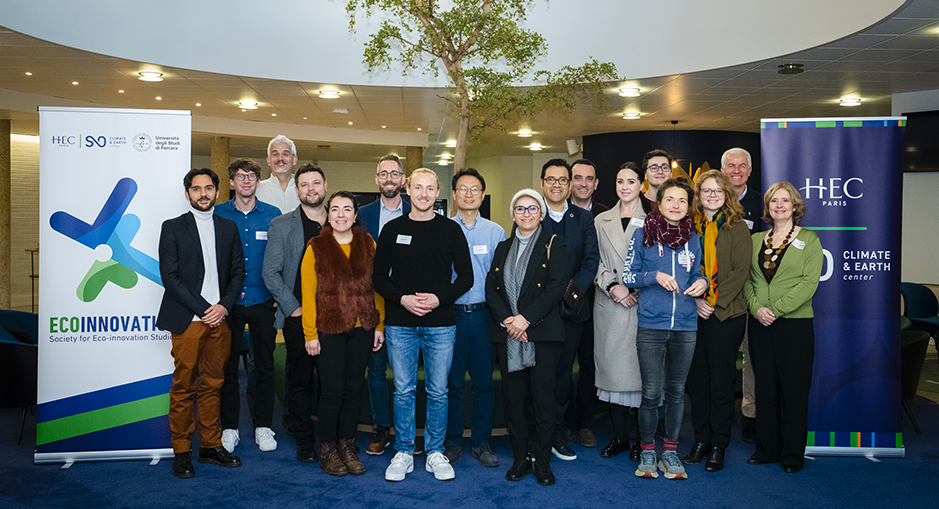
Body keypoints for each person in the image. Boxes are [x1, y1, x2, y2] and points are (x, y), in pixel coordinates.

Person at [372, 168, 473, 482]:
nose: (424, 194)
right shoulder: (391, 229)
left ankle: (434, 452)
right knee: (402, 390)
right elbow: (378, 278)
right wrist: (403, 299)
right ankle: (403, 450)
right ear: (408, 189)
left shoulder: (451, 230)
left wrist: (437, 299)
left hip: (441, 323)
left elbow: (466, 278)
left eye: (430, 189)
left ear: (438, 191)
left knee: (438, 391)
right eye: (418, 188)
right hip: (400, 323)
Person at [157, 168, 245, 479]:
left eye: (208, 188)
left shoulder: (229, 227)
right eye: (196, 189)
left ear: (218, 192)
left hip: (220, 321)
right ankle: (181, 451)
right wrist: (206, 309)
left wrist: (222, 308)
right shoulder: (172, 228)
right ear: (187, 194)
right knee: (183, 387)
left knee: (213, 385)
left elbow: (237, 274)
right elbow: (171, 277)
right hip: (188, 322)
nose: (203, 194)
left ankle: (210, 445)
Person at [623, 178, 708, 480]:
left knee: (676, 393)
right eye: (670, 199)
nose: (676, 205)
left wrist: (703, 284)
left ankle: (669, 452)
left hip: (686, 326)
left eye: (682, 200)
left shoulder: (694, 237)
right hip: (651, 326)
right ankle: (647, 450)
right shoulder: (641, 234)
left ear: (688, 206)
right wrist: (654, 276)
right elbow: (629, 275)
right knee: (650, 393)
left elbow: (698, 272)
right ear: (658, 203)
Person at [486, 189, 569, 486]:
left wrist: (526, 319)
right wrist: (509, 321)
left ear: (541, 213)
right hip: (508, 335)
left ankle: (543, 462)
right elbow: (492, 289)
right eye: (520, 209)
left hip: (542, 335)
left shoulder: (554, 244)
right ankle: (520, 458)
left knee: (544, 402)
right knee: (515, 402)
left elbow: (556, 288)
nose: (526, 213)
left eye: (532, 208)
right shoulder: (503, 247)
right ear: (513, 214)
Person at [300, 191, 385, 477]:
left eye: (346, 209)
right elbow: (308, 294)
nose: (340, 214)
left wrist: (379, 326)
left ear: (355, 214)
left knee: (353, 390)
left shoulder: (368, 242)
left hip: (362, 328)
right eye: (335, 209)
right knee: (333, 392)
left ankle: (347, 445)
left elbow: (377, 288)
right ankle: (328, 449)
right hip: (328, 328)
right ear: (328, 214)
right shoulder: (316, 246)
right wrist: (309, 334)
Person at [744, 182, 822, 474]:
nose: (779, 205)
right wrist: (756, 309)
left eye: (785, 201)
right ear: (768, 206)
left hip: (795, 327)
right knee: (764, 389)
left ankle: (792, 455)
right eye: (774, 200)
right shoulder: (755, 240)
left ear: (795, 206)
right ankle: (766, 449)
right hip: (760, 324)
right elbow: (749, 281)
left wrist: (774, 310)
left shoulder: (810, 240)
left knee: (793, 391)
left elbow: (808, 284)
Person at [681, 170, 752, 473]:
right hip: (694, 313)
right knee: (698, 383)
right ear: (698, 194)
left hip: (726, 314)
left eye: (717, 191)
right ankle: (701, 440)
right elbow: (682, 266)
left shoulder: (737, 227)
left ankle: (718, 445)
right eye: (706, 190)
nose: (711, 195)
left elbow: (740, 271)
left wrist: (713, 301)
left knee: (721, 382)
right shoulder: (687, 226)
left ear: (727, 194)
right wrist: (697, 301)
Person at [262, 163, 328, 464]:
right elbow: (271, 273)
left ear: (325, 187)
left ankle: (332, 438)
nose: (311, 189)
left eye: (316, 183)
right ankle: (304, 439)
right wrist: (293, 307)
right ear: (298, 190)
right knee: (299, 378)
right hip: (299, 316)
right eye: (305, 184)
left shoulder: (342, 221)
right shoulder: (282, 224)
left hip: (335, 318)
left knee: (330, 381)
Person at [214, 158, 282, 455]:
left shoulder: (273, 215)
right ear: (231, 182)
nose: (246, 181)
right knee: (226, 367)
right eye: (240, 176)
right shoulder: (216, 214)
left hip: (262, 300)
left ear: (258, 180)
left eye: (252, 176)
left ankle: (263, 426)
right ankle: (229, 427)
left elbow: (282, 257)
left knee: (263, 367)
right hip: (226, 304)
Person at [444, 168, 506, 468]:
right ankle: (453, 440)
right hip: (450, 317)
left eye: (475, 189)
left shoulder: (495, 232)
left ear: (482, 195)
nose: (468, 194)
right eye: (462, 189)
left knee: (483, 382)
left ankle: (482, 442)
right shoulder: (441, 229)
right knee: (451, 382)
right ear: (454, 194)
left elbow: (502, 278)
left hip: (484, 317)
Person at [539, 158, 599, 461]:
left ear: (569, 185)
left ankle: (562, 431)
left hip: (575, 311)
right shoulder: (532, 216)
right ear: (542, 184)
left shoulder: (584, 219)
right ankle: (547, 431)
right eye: (551, 179)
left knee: (568, 374)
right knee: (547, 375)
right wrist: (551, 296)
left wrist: (569, 293)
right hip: (543, 313)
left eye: (563, 180)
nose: (557, 185)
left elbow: (591, 262)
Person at [593, 162, 651, 462]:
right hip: (610, 304)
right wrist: (613, 286)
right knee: (614, 375)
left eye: (631, 181)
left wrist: (636, 289)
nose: (625, 186)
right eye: (620, 181)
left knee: (642, 376)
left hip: (643, 305)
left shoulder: (654, 219)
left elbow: (659, 262)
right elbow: (594, 261)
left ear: (642, 185)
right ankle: (619, 437)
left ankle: (642, 440)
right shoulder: (601, 219)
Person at [359, 154, 412, 456]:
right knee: (377, 370)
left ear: (403, 179)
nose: (390, 178)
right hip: (372, 304)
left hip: (409, 305)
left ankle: (409, 430)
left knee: (408, 374)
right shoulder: (362, 215)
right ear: (376, 179)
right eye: (384, 174)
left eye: (395, 173)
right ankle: (381, 427)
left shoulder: (416, 210)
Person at [720, 147, 761, 443]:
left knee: (752, 358)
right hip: (717, 296)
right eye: (731, 165)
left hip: (753, 293)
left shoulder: (762, 203)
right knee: (718, 359)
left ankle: (750, 414)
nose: (736, 170)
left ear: (749, 171)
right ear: (723, 170)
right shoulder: (710, 201)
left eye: (742, 166)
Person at [565, 158, 607, 449]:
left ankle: (585, 424)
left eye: (588, 178)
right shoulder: (554, 213)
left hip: (598, 301)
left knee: (590, 365)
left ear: (596, 184)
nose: (582, 183)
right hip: (562, 303)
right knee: (563, 365)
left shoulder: (606, 215)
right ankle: (565, 423)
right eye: (576, 178)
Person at [256, 135, 301, 214]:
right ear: (269, 160)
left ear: (294, 159)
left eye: (285, 154)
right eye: (275, 154)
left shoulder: (304, 188)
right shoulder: (257, 189)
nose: (280, 158)